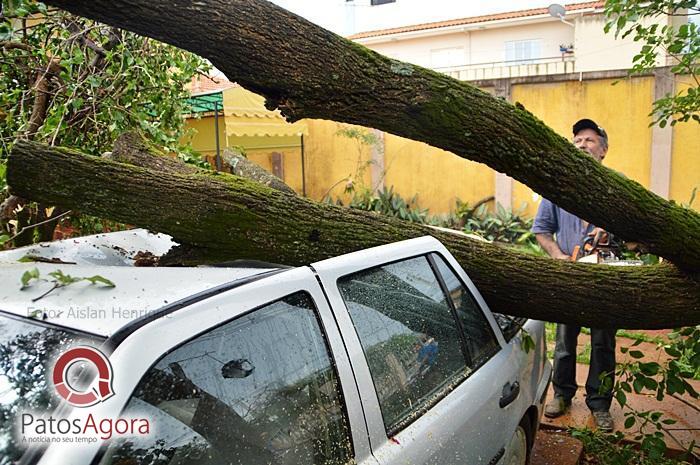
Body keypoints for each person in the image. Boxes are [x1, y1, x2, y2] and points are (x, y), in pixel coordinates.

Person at [531, 118, 616, 432]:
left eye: (590, 140)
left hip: (607, 279)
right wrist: (560, 257)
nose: (582, 145)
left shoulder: (616, 186)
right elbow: (541, 231)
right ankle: (562, 394)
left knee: (603, 344)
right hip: (571, 277)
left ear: (603, 150)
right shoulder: (557, 189)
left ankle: (600, 403)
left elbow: (633, 232)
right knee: (565, 342)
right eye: (578, 140)